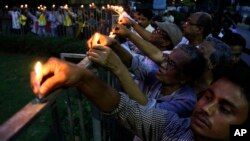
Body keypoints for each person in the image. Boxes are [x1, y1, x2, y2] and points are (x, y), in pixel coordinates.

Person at [30, 57, 250, 141]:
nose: (206, 109)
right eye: (208, 97)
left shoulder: (184, 101)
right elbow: (126, 109)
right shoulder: (176, 128)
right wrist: (84, 78)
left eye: (225, 109)